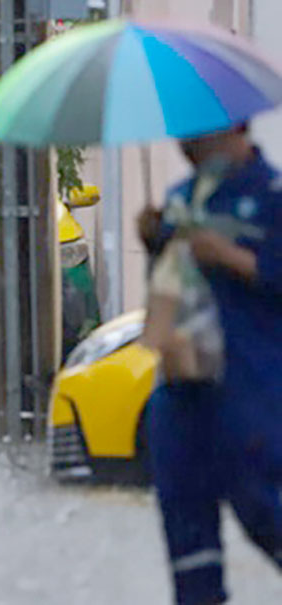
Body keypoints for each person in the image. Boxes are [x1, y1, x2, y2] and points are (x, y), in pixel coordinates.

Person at [138, 123, 282, 604]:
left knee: (266, 516)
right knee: (190, 551)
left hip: (254, 396)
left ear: (237, 125)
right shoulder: (180, 199)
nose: (188, 141)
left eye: (201, 129)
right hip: (181, 396)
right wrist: (154, 242)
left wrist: (231, 257)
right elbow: (165, 301)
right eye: (183, 130)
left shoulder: (272, 195)